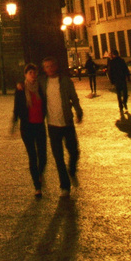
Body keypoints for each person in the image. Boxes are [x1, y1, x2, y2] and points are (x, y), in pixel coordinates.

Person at [40, 56, 83, 196]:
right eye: (47, 66)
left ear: (56, 66)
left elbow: (74, 97)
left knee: (74, 151)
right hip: (52, 125)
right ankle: (65, 186)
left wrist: (78, 111)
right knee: (58, 157)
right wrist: (19, 85)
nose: (50, 68)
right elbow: (30, 82)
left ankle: (72, 169)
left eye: (52, 65)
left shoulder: (65, 81)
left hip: (67, 122)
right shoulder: (42, 82)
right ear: (44, 69)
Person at [12, 63, 47, 197]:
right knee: (33, 156)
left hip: (40, 125)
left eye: (34, 72)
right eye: (30, 73)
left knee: (43, 157)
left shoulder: (41, 87)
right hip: (27, 127)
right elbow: (16, 107)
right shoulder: (21, 89)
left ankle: (39, 173)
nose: (32, 75)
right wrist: (14, 123)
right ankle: (37, 186)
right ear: (25, 75)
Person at [107, 49, 130, 116]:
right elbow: (126, 69)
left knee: (119, 94)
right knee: (125, 92)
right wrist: (128, 77)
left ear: (113, 55)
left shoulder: (112, 62)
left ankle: (120, 106)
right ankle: (124, 102)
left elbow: (110, 72)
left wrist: (111, 80)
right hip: (122, 79)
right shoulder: (121, 60)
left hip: (116, 80)